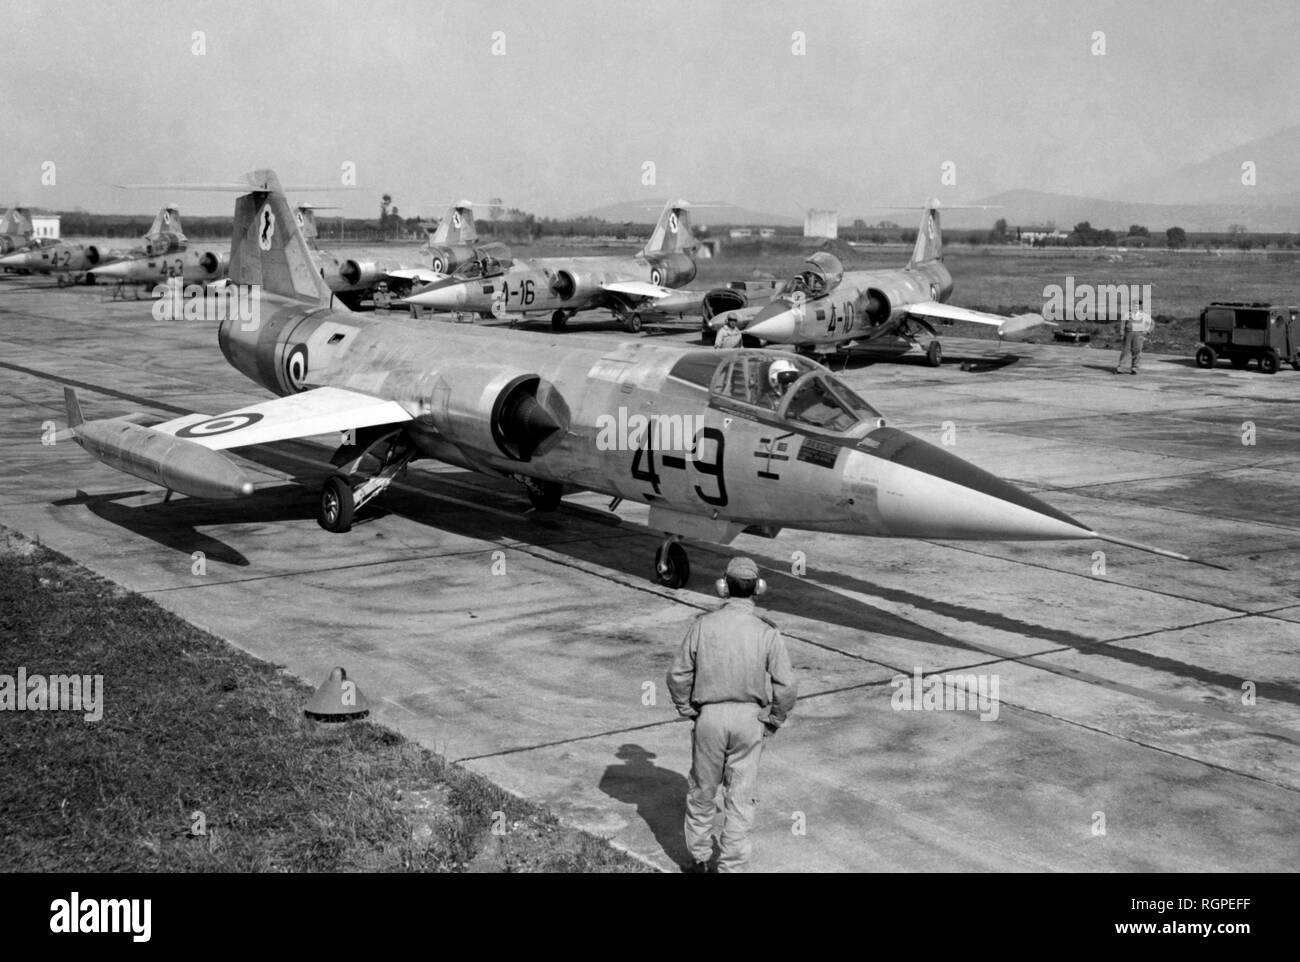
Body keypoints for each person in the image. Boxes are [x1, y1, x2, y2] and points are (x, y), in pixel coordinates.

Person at [667, 556, 798, 872]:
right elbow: (787, 685)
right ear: (758, 589)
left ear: (723, 587)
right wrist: (774, 720)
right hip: (749, 722)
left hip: (709, 718)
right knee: (740, 800)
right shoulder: (767, 632)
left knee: (702, 793)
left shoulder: (703, 625)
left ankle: (699, 860)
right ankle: (731, 867)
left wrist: (688, 710)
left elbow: (677, 675)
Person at [1115, 307, 1153, 374]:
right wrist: (1121, 334)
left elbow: (1152, 323)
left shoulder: (1144, 315)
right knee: (1125, 351)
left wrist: (1147, 331)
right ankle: (1121, 368)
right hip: (1128, 333)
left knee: (1137, 351)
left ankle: (1135, 368)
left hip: (1139, 334)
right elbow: (1123, 324)